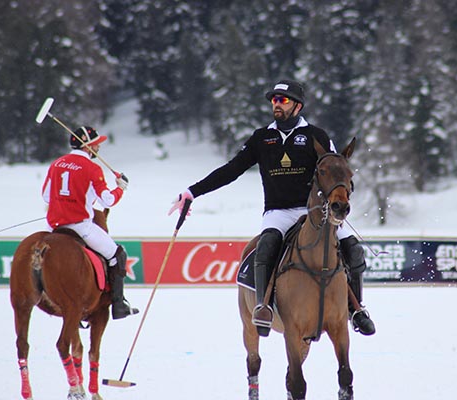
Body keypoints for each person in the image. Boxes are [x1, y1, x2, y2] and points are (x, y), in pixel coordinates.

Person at [169, 79, 375, 336]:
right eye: (274, 100)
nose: (277, 104)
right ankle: (263, 307)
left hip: (314, 212)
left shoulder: (317, 136)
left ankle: (356, 309)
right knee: (266, 246)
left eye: (283, 100)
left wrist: (338, 198)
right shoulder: (262, 137)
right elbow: (232, 170)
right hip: (278, 213)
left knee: (353, 248)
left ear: (297, 106)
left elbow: (336, 169)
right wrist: (193, 192)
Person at [42, 126, 139, 320]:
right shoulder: (92, 168)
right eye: (95, 144)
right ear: (86, 146)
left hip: (54, 228)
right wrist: (120, 188)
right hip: (80, 227)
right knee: (118, 254)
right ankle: (118, 305)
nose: (98, 147)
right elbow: (107, 201)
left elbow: (46, 196)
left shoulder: (56, 164)